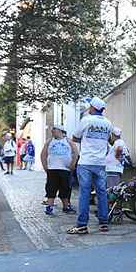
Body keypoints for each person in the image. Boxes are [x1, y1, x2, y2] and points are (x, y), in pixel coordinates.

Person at [68, 97, 113, 234]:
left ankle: (82, 225)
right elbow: (109, 139)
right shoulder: (108, 123)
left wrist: (86, 138)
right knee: (102, 193)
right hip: (100, 163)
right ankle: (104, 223)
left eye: (90, 106)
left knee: (85, 194)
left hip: (86, 162)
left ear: (93, 108)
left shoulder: (86, 120)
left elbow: (75, 137)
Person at [41, 124, 78, 216]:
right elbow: (43, 154)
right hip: (52, 169)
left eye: (54, 129)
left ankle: (66, 206)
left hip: (65, 169)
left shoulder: (68, 141)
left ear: (60, 131)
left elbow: (75, 152)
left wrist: (73, 164)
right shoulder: (49, 141)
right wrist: (45, 166)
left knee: (65, 188)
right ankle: (49, 207)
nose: (52, 131)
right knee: (51, 188)